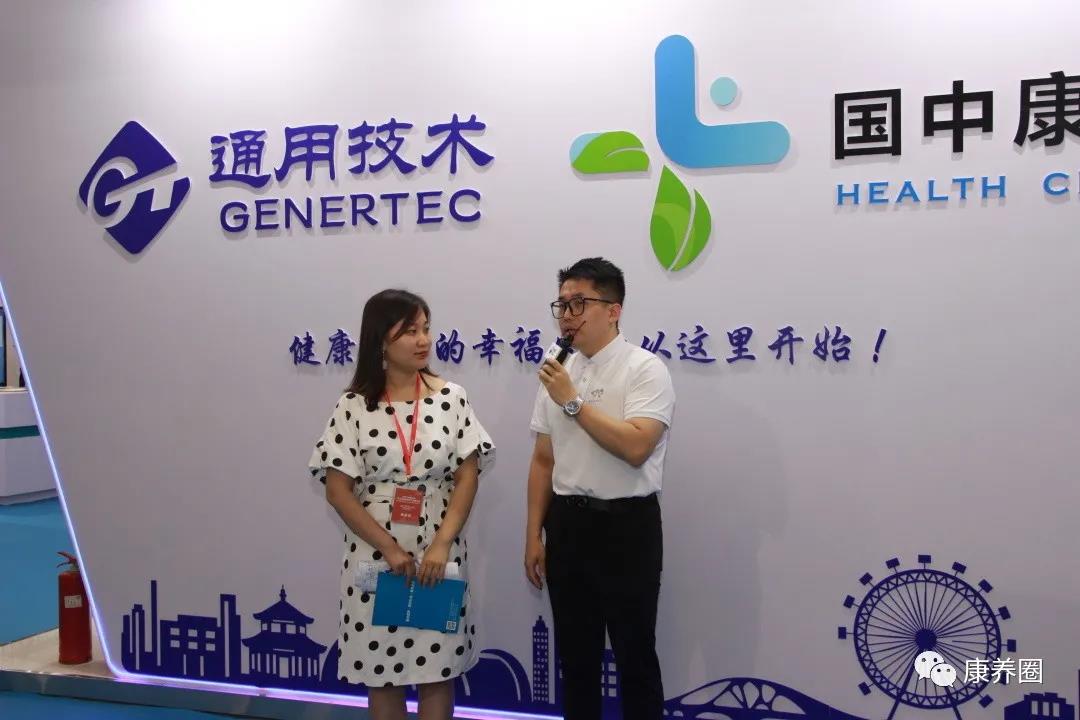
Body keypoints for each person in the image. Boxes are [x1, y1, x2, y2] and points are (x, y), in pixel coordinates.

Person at [309, 288, 494, 720]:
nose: (423, 339)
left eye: (426, 328)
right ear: (381, 340)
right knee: (382, 674)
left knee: (437, 670)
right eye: (410, 331)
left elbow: (467, 475)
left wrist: (443, 543)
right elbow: (338, 490)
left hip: (438, 550)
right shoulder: (353, 406)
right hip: (375, 553)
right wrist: (389, 548)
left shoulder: (452, 397)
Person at [524, 257, 675, 720]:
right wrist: (533, 534)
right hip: (568, 525)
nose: (567, 315)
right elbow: (544, 459)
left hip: (627, 527)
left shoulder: (645, 369)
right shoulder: (558, 370)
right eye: (561, 305)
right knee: (576, 661)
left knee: (634, 657)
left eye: (579, 304)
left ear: (614, 310)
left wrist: (571, 401)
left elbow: (636, 447)